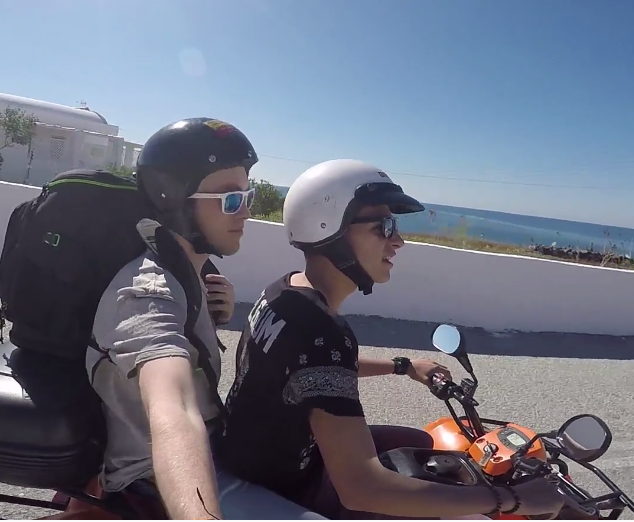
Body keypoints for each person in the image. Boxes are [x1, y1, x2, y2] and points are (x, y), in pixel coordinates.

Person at [214, 159, 571, 519]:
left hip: (262, 458)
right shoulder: (321, 330)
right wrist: (510, 498)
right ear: (330, 229)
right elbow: (361, 490)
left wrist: (403, 366)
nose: (398, 241)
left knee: (419, 443)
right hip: (288, 489)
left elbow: (313, 369)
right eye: (383, 227)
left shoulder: (284, 291)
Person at [73, 116, 317, 520]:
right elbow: (175, 411)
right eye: (231, 200)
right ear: (175, 201)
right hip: (156, 477)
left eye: (249, 196)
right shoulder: (147, 295)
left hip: (216, 447)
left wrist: (212, 314)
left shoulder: (188, 276)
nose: (246, 213)